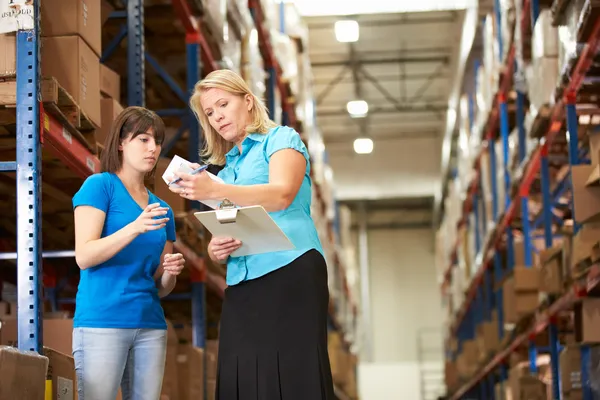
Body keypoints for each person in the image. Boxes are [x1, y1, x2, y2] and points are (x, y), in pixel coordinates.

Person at [169, 69, 335, 399]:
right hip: (244, 282)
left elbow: (281, 194)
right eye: (210, 113)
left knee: (293, 375)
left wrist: (218, 192)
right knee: (241, 377)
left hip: (291, 269)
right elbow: (235, 227)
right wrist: (218, 248)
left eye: (222, 104)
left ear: (247, 101)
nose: (217, 117)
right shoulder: (227, 169)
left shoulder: (282, 139)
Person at [71, 106, 186, 400]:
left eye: (157, 142)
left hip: (150, 325)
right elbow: (84, 255)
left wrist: (170, 273)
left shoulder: (163, 210)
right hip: (102, 323)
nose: (153, 148)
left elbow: (160, 288)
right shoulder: (100, 186)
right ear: (121, 143)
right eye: (143, 140)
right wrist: (134, 228)